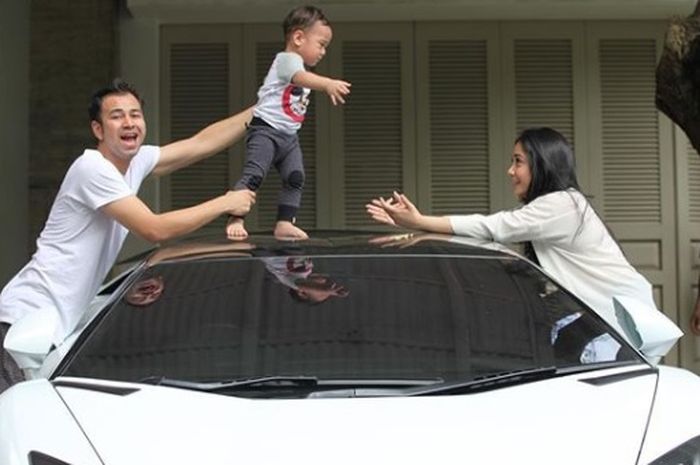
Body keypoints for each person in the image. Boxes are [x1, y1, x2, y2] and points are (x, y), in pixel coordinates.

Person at [0, 79, 256, 393]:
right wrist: (225, 202)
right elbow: (154, 229)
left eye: (135, 114)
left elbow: (199, 144)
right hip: (20, 326)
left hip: (49, 331)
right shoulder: (92, 169)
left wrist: (262, 110)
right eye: (117, 115)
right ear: (98, 129)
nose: (129, 122)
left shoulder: (134, 163)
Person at [366, 127, 681, 342]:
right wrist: (416, 228)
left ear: (541, 164)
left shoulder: (563, 205)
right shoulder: (561, 205)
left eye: (518, 161)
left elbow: (495, 227)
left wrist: (420, 220)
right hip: (601, 321)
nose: (510, 171)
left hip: (621, 321)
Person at [226, 5, 351, 241]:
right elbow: (298, 77)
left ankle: (284, 222)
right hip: (266, 131)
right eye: (321, 44)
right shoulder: (287, 60)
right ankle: (236, 216)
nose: (323, 51)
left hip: (289, 137)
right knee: (255, 174)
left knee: (295, 177)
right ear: (298, 37)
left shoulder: (301, 66)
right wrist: (326, 84)